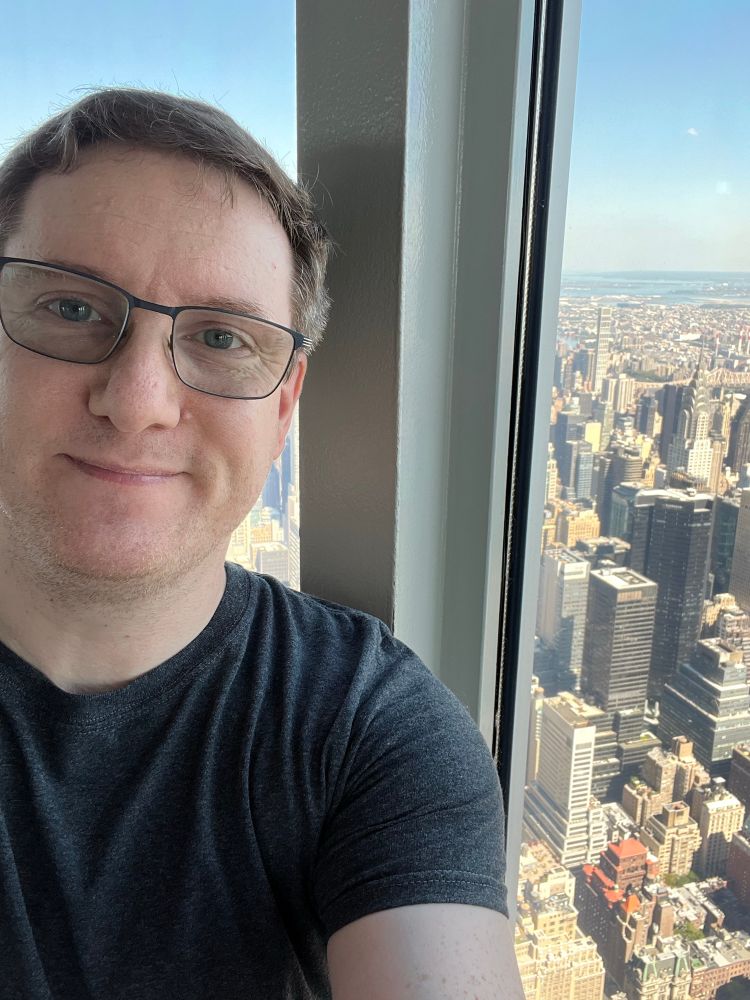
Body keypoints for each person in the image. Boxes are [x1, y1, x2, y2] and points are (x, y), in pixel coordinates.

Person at [0, 87, 523, 999]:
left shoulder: (369, 737)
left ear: (283, 408)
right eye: (72, 309)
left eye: (220, 337)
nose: (138, 402)